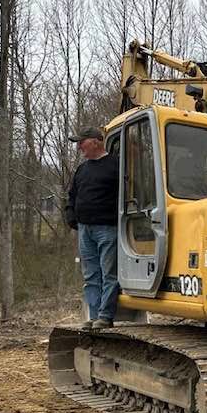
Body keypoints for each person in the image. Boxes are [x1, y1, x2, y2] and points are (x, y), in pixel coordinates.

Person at [64, 126, 119, 329]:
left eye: (82, 142)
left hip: (107, 228)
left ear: (95, 141)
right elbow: (72, 195)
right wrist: (71, 214)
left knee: (108, 274)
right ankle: (95, 316)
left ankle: (105, 316)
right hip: (85, 229)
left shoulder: (115, 164)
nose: (79, 147)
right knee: (91, 276)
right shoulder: (82, 169)